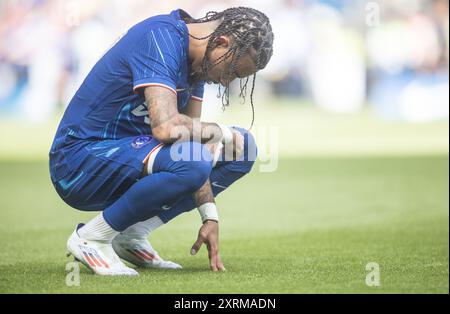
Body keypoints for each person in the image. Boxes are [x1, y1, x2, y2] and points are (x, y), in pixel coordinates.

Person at [49, 7, 274, 275]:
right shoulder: (159, 36)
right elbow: (166, 128)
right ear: (222, 42)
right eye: (233, 71)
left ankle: (130, 234)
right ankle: (92, 237)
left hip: (127, 158)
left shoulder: (197, 66)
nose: (226, 82)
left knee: (243, 149)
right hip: (77, 162)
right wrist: (223, 133)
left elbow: (192, 146)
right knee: (202, 155)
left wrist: (209, 214)